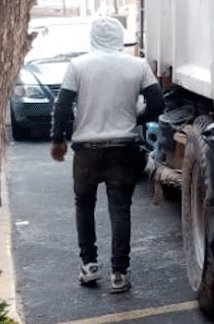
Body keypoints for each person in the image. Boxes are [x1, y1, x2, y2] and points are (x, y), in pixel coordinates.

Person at [50, 17, 164, 294]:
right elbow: (158, 104)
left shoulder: (78, 65)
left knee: (84, 206)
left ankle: (89, 267)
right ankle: (119, 274)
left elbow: (63, 106)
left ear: (93, 37)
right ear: (119, 37)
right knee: (120, 210)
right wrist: (136, 117)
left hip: (86, 151)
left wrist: (58, 140)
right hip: (123, 150)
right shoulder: (137, 65)